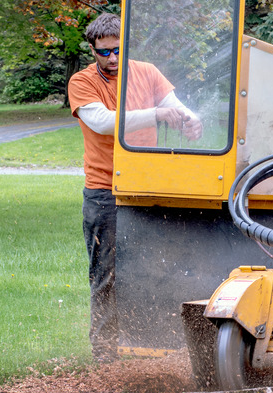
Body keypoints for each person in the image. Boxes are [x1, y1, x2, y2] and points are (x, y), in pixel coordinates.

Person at [68, 12, 202, 362]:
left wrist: (191, 120)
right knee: (107, 277)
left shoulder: (147, 71)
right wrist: (156, 114)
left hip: (149, 187)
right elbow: (105, 123)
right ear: (93, 50)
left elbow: (177, 107)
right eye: (103, 52)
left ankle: (158, 348)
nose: (111, 59)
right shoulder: (81, 82)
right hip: (105, 192)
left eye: (117, 51)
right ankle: (106, 356)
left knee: (157, 269)